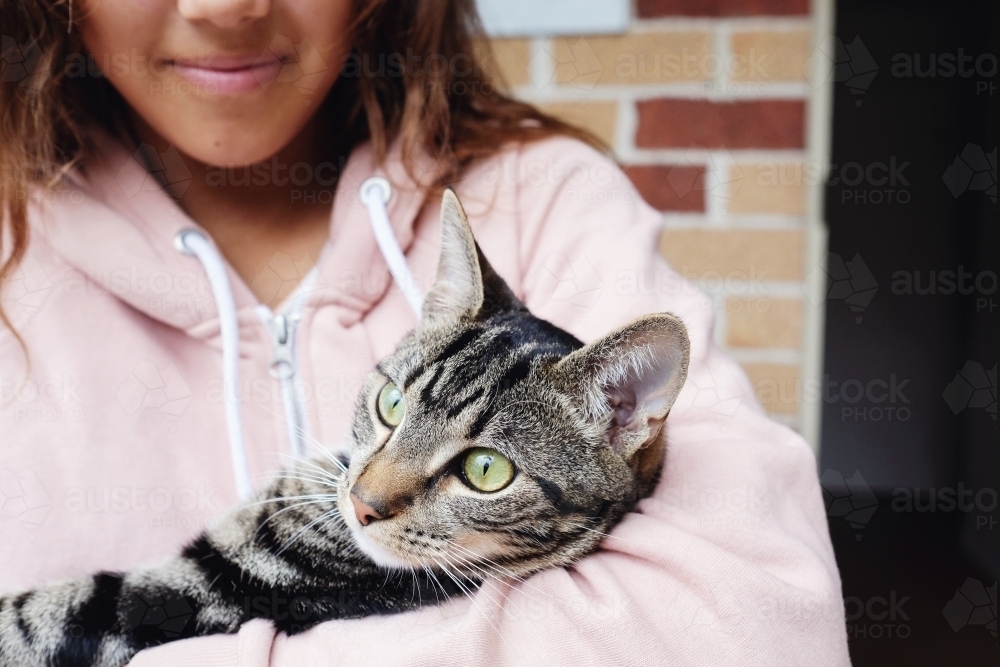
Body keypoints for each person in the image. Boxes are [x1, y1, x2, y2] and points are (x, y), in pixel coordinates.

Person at [0, 0, 850, 664]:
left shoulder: (547, 198)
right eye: (393, 407)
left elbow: (762, 630)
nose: (370, 493)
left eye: (480, 467)